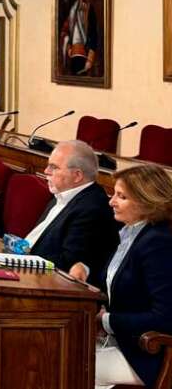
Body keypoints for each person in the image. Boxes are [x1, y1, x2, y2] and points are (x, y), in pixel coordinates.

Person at [94, 163, 172, 389]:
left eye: (122, 197)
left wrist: (107, 320)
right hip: (120, 341)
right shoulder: (131, 233)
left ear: (147, 202)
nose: (111, 202)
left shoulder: (158, 242)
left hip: (146, 355)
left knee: (71, 363)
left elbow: (165, 317)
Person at [25, 140, 119, 288]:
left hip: (44, 283)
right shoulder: (62, 194)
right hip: (26, 269)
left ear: (77, 176)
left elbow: (67, 264)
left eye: (54, 167)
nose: (46, 171)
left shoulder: (92, 208)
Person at [61, 0, 99, 76]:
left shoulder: (90, 9)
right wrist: (68, 47)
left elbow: (94, 35)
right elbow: (65, 31)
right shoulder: (72, 10)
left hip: (85, 55)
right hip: (73, 55)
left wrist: (90, 60)